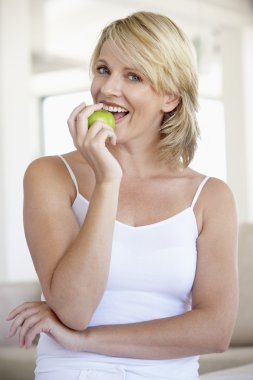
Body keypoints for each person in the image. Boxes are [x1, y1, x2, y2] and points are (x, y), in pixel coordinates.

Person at [6, 11, 238, 380]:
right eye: (103, 69)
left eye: (133, 76)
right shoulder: (49, 175)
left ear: (170, 97)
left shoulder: (210, 197)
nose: (108, 89)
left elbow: (215, 331)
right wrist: (107, 182)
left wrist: (84, 340)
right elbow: (74, 310)